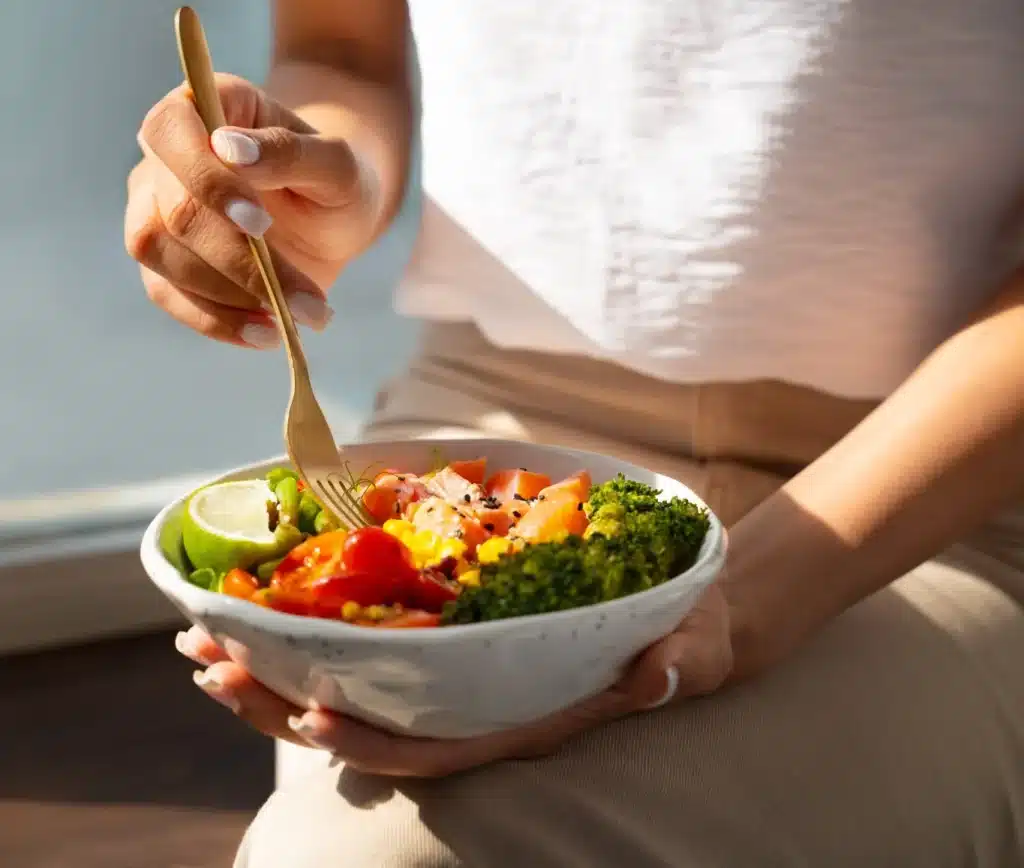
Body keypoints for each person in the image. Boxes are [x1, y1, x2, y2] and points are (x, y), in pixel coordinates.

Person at [124, 1, 1024, 865]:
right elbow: (341, 49)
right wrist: (317, 185)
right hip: (484, 417)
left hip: (946, 487)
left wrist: (726, 609)